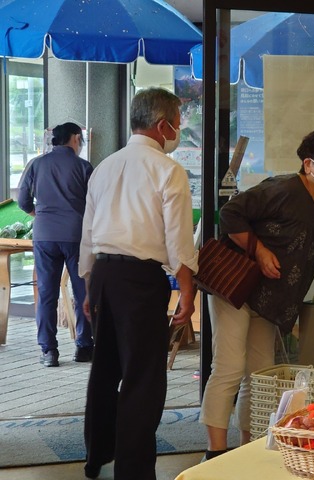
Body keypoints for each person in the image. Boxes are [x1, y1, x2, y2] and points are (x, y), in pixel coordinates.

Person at [199, 125, 314, 460]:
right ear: (309, 163)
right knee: (227, 366)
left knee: (261, 374)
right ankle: (214, 452)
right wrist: (258, 249)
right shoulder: (284, 187)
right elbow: (229, 213)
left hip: (271, 300)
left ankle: (248, 446)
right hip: (237, 287)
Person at [79, 87, 198, 480]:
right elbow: (179, 240)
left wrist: (88, 283)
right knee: (143, 376)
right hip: (140, 280)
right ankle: (133, 471)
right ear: (162, 125)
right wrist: (187, 291)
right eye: (177, 124)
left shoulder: (104, 166)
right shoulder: (167, 170)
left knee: (105, 367)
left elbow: (88, 232)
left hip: (103, 277)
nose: (178, 131)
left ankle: (96, 457)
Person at [17, 122, 94, 367]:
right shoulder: (83, 167)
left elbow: (22, 200)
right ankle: (83, 346)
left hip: (45, 236)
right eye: (80, 139)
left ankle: (49, 351)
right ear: (74, 138)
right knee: (82, 291)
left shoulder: (36, 164)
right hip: (75, 235)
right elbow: (95, 202)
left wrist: (37, 213)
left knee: (47, 294)